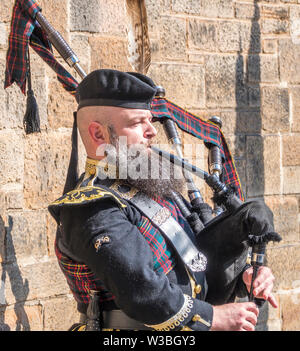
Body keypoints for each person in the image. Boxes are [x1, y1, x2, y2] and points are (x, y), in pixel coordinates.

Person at [48, 69, 277, 331]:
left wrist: (246, 274)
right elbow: (144, 292)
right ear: (99, 135)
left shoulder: (149, 185)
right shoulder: (92, 207)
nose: (151, 132)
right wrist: (214, 317)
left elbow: (197, 258)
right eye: (136, 123)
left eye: (150, 121)